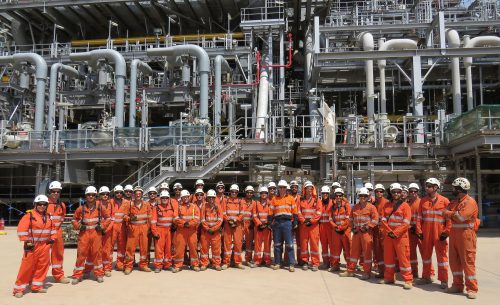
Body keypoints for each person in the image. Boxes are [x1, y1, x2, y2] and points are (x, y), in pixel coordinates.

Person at [13, 195, 56, 298]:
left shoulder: (49, 216)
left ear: (46, 205)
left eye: (44, 204)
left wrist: (53, 238)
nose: (42, 206)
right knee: (26, 267)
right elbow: (21, 230)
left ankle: (36, 286)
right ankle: (18, 289)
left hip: (45, 245)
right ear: (35, 205)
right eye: (39, 204)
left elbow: (53, 229)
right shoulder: (29, 215)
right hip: (32, 245)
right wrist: (26, 241)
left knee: (42, 266)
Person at [443, 177, 479, 299]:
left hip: (466, 235)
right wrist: (453, 214)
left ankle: (472, 288)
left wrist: (451, 214)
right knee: (454, 261)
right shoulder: (455, 202)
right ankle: (457, 285)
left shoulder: (470, 202)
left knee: (467, 262)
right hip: (454, 234)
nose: (452, 190)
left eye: (454, 188)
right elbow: (445, 212)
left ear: (459, 189)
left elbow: (460, 218)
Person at [416, 178, 450, 289]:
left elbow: (449, 219)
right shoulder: (423, 201)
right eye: (426, 186)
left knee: (442, 258)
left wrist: (446, 232)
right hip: (426, 233)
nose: (427, 188)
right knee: (426, 256)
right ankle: (426, 277)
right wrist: (419, 231)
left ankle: (444, 280)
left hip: (440, 234)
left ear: (436, 187)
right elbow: (419, 217)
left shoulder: (445, 201)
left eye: (429, 186)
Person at [71, 186, 110, 284]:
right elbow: (74, 219)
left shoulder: (100, 207)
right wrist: (79, 226)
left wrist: (102, 226)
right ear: (86, 196)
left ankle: (99, 274)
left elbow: (108, 218)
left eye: (93, 195)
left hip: (96, 233)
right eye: (89, 195)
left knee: (97, 254)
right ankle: (77, 275)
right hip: (84, 234)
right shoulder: (81, 208)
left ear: (95, 196)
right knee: (81, 254)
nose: (91, 196)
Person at [379, 183, 413, 290]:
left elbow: (406, 222)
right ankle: (389, 277)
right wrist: (389, 232)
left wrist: (396, 233)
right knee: (388, 258)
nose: (396, 194)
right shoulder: (387, 205)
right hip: (389, 236)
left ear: (401, 193)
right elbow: (383, 220)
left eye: (398, 192)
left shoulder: (405, 206)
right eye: (394, 192)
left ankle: (408, 280)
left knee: (404, 259)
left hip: (401, 237)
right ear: (391, 193)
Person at [340, 188, 378, 279]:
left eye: (365, 196)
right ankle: (350, 270)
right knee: (354, 252)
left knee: (367, 253)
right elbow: (350, 219)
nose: (363, 198)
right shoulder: (355, 207)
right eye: (361, 196)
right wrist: (352, 227)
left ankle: (366, 272)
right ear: (358, 197)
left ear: (368, 197)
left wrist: (368, 226)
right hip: (357, 233)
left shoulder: (371, 207)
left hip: (366, 234)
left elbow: (375, 219)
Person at [269, 180, 298, 272]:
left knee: (289, 244)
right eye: (280, 187)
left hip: (287, 223)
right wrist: (270, 222)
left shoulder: (291, 199)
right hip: (277, 223)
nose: (282, 189)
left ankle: (291, 264)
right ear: (278, 188)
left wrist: (295, 222)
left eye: (284, 187)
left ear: (286, 188)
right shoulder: (274, 199)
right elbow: (270, 212)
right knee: (277, 244)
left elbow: (295, 212)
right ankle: (278, 262)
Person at [123, 186, 152, 274]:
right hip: (133, 228)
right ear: (134, 195)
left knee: (144, 248)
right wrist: (129, 218)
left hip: (144, 228)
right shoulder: (129, 204)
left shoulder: (146, 204)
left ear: (142, 194)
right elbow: (124, 216)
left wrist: (148, 227)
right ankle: (128, 266)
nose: (138, 195)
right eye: (136, 193)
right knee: (130, 248)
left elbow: (150, 217)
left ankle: (143, 265)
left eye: (140, 193)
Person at [46, 181, 70, 284]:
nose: (55, 193)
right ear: (49, 191)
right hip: (45, 234)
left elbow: (62, 217)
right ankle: (37, 277)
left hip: (58, 232)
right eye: (53, 191)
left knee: (58, 254)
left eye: (58, 191)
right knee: (42, 256)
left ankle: (58, 275)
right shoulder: (43, 204)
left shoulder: (62, 205)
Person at [172, 190, 201, 272]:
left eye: (187, 197)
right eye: (184, 197)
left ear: (189, 197)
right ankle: (178, 265)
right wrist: (184, 223)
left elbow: (197, 218)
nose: (185, 198)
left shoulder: (194, 207)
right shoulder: (178, 207)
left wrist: (190, 224)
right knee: (179, 248)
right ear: (181, 198)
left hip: (192, 231)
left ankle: (194, 264)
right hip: (181, 230)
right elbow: (175, 218)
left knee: (193, 248)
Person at [151, 190, 178, 272]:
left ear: (169, 199)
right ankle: (158, 266)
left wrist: (175, 225)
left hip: (169, 231)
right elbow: (153, 221)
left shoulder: (171, 208)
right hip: (160, 230)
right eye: (163, 198)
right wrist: (155, 232)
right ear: (160, 199)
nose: (165, 199)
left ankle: (167, 264)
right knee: (159, 249)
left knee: (168, 249)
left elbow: (174, 219)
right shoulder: (157, 208)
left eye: (166, 198)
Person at [298, 181, 322, 271]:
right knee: (304, 244)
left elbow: (319, 213)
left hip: (313, 226)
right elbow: (298, 212)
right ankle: (305, 262)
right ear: (305, 190)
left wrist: (311, 221)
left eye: (311, 188)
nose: (310, 190)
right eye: (308, 188)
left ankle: (315, 263)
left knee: (314, 245)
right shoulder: (301, 200)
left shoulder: (317, 200)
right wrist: (303, 221)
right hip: (304, 226)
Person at [222, 184, 244, 269]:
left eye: (235, 192)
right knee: (227, 244)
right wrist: (228, 220)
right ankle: (226, 262)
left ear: (237, 192)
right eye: (232, 191)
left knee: (238, 244)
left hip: (237, 225)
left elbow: (242, 213)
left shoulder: (240, 201)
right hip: (228, 225)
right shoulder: (225, 201)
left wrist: (236, 220)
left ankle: (237, 262)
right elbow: (223, 213)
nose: (234, 193)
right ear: (230, 192)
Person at [200, 189, 223, 271]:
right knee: (204, 248)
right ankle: (204, 263)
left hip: (215, 232)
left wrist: (213, 229)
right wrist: (207, 228)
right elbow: (202, 219)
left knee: (216, 249)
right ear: (207, 198)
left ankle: (216, 264)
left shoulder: (218, 207)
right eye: (209, 198)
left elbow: (220, 219)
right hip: (206, 231)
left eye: (212, 198)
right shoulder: (204, 206)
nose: (211, 199)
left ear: (214, 198)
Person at [329, 187, 352, 272]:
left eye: (340, 196)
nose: (338, 197)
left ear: (342, 196)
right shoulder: (333, 207)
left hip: (345, 231)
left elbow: (348, 218)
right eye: (337, 196)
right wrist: (335, 227)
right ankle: (335, 265)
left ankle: (349, 267)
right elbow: (330, 218)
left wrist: (342, 228)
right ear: (335, 197)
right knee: (336, 250)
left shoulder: (346, 206)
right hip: (336, 231)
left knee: (347, 249)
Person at [407, 182, 426, 278]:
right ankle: (414, 271)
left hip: (420, 231)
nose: (413, 193)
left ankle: (428, 273)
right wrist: (410, 227)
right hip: (410, 231)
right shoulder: (407, 204)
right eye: (411, 191)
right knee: (411, 253)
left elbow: (425, 217)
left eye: (415, 191)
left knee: (425, 253)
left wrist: (418, 228)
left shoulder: (422, 202)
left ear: (418, 192)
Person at [373, 183, 390, 278]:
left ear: (383, 192)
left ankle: (388, 272)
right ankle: (381, 271)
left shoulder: (387, 203)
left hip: (384, 231)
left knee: (386, 252)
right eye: (377, 191)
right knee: (378, 252)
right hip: (376, 231)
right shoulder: (374, 204)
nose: (379, 193)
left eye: (381, 191)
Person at [253, 186, 272, 267]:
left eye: (265, 193)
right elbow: (254, 215)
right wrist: (259, 223)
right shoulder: (256, 203)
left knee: (267, 245)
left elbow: (272, 215)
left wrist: (267, 223)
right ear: (260, 194)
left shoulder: (270, 203)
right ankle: (257, 261)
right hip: (259, 227)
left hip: (267, 227)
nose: (264, 194)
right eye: (262, 193)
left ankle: (267, 261)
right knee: (258, 245)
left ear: (267, 194)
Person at [111, 185, 128, 271]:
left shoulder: (126, 202)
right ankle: (107, 264)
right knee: (109, 246)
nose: (118, 194)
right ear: (114, 193)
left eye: (120, 192)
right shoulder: (110, 202)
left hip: (122, 227)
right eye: (117, 192)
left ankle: (120, 264)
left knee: (122, 247)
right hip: (112, 227)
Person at [97, 186, 114, 277]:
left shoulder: (111, 205)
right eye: (103, 194)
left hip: (107, 231)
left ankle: (106, 268)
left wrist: (106, 229)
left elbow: (112, 219)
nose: (105, 196)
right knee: (97, 250)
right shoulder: (96, 204)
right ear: (99, 195)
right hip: (97, 231)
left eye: (107, 194)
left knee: (106, 250)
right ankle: (98, 268)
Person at [319, 185, 334, 269]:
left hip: (330, 227)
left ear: (329, 194)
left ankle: (333, 263)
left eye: (326, 193)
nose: (325, 195)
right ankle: (325, 263)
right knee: (324, 246)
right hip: (321, 227)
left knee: (332, 246)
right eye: (323, 193)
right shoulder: (319, 203)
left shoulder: (333, 203)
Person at [242, 185, 256, 266]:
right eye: (248, 192)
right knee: (238, 243)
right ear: (245, 193)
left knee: (249, 243)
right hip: (241, 224)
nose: (249, 194)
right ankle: (236, 260)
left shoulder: (255, 203)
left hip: (250, 225)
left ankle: (248, 259)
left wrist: (253, 223)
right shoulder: (241, 201)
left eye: (251, 192)